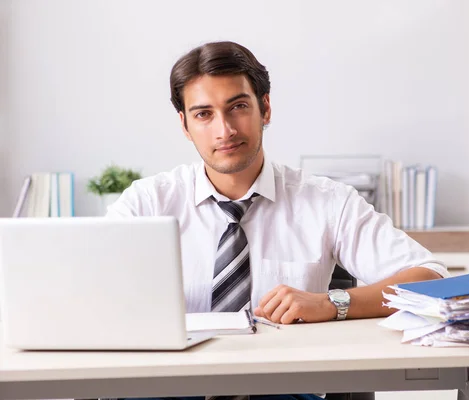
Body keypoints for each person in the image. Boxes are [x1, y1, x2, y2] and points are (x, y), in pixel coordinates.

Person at [106, 40, 448, 400]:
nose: (224, 130)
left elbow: (432, 280)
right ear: (185, 125)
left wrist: (332, 303)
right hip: (170, 391)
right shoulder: (146, 203)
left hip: (284, 391)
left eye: (237, 107)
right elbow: (91, 290)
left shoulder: (326, 202)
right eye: (204, 114)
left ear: (265, 108)